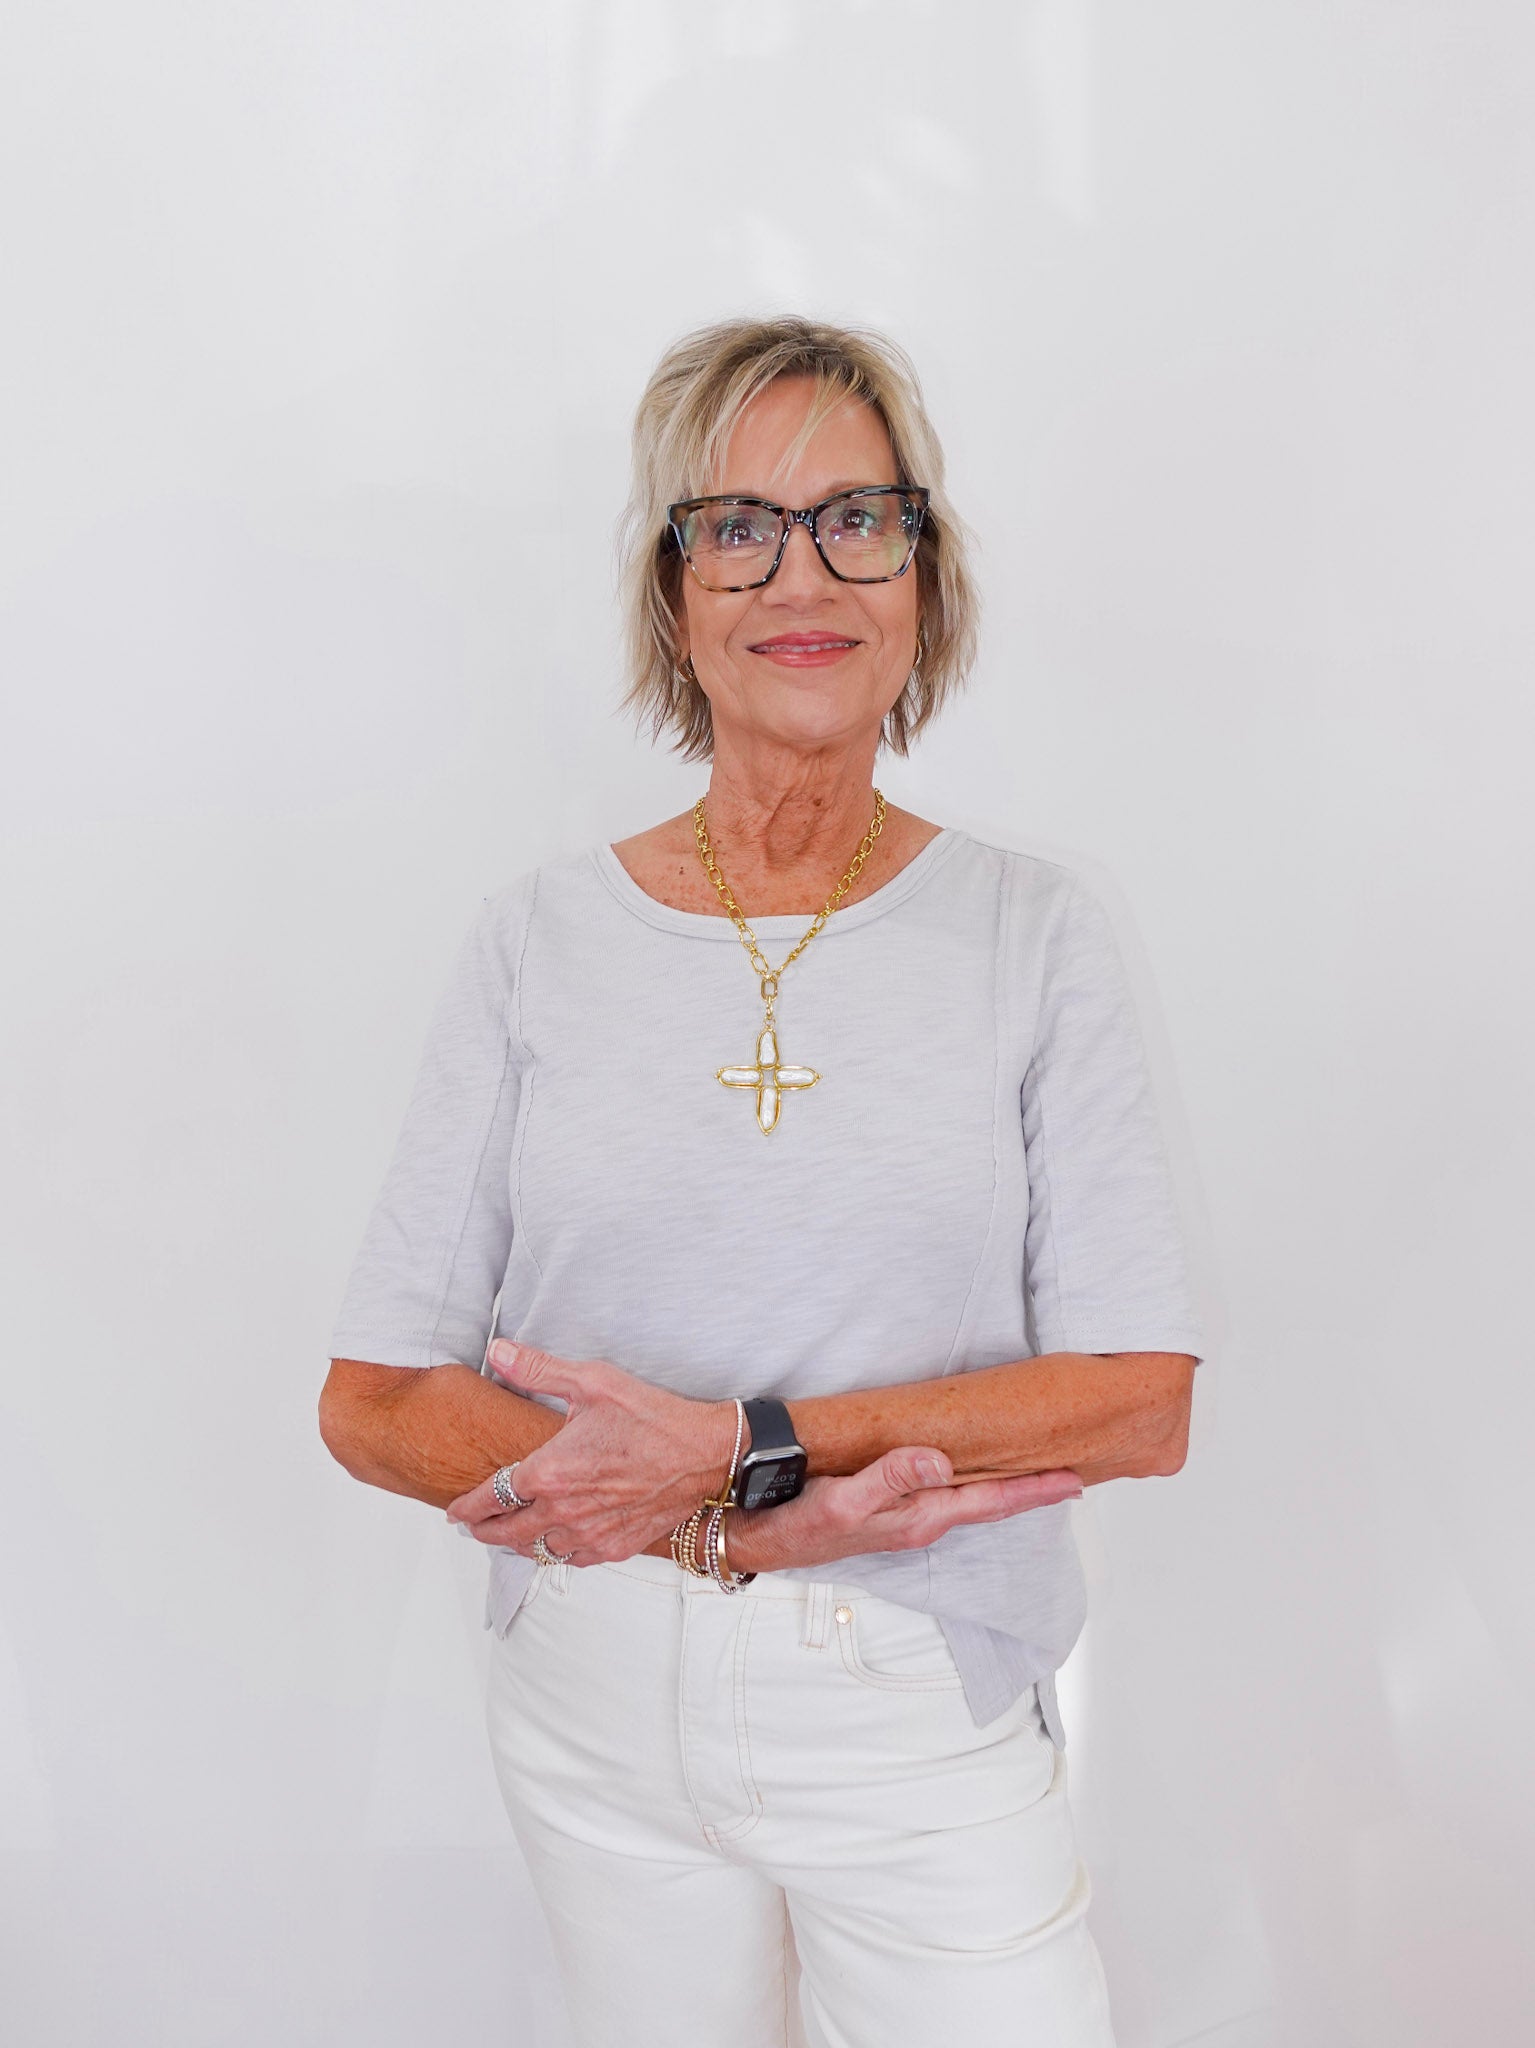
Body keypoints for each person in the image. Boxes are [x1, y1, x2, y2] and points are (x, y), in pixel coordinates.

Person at [319, 315, 1204, 2047]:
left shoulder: (1034, 935)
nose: (802, 572)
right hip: (593, 1699)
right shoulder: (535, 941)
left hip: (918, 1696)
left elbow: (1136, 1404)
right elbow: (372, 1400)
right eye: (735, 525)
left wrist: (746, 1448)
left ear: (925, 586)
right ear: (672, 597)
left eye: (858, 520)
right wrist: (716, 1525)